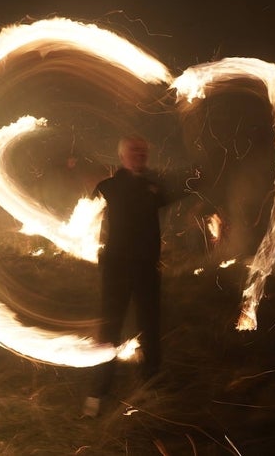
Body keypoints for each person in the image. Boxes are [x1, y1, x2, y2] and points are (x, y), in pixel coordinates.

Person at [82, 133, 187, 418]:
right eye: (133, 151)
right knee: (110, 330)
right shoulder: (108, 187)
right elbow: (86, 218)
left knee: (150, 327)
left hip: (146, 268)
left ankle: (152, 383)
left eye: (143, 151)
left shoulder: (155, 187)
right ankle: (98, 393)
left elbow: (182, 189)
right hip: (116, 268)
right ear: (122, 156)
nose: (139, 155)